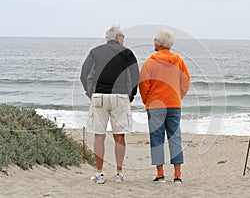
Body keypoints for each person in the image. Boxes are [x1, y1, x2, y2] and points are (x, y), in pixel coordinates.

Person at [80, 25, 139, 184]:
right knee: (119, 136)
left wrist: (90, 93)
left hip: (99, 95)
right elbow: (135, 76)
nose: (123, 40)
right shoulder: (127, 52)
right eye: (123, 37)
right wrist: (131, 95)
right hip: (120, 97)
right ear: (118, 37)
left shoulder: (96, 51)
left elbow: (84, 74)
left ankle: (99, 174)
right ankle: (119, 173)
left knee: (99, 135)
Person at [139, 29, 191, 183]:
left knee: (157, 139)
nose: (154, 41)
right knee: (175, 137)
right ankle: (177, 175)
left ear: (159, 43)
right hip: (174, 104)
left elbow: (143, 84)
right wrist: (178, 95)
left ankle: (160, 174)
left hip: (155, 105)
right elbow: (186, 81)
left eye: (155, 39)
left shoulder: (150, 62)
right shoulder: (179, 61)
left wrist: (146, 100)